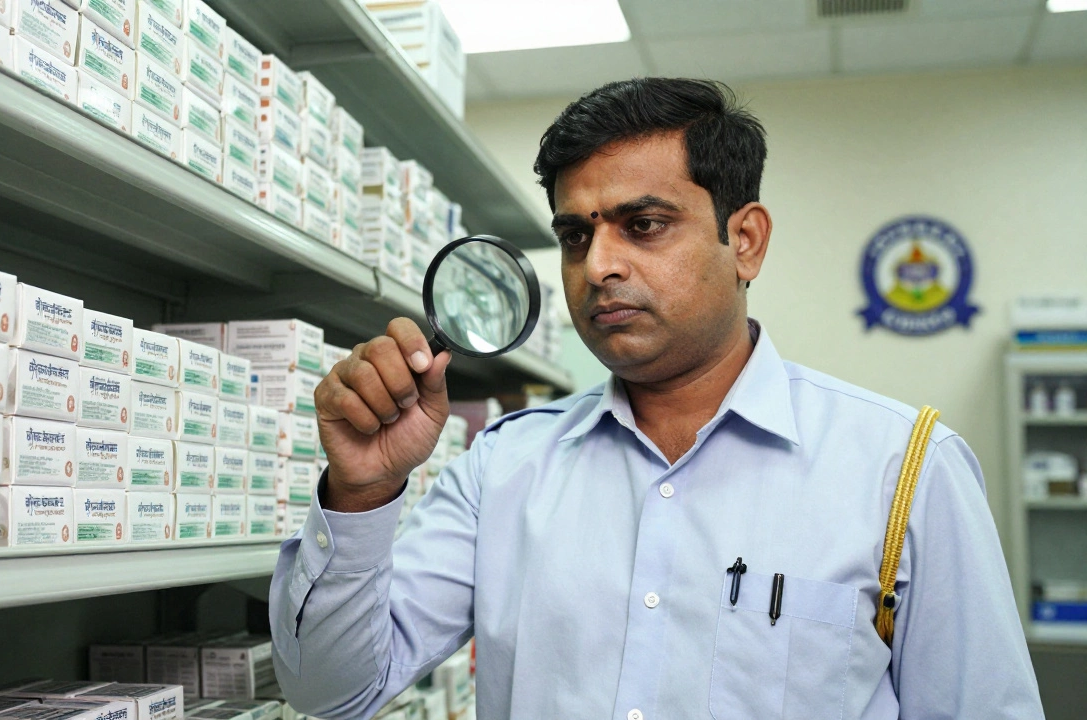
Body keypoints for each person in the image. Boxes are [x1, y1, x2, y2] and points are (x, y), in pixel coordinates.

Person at [269, 78, 1043, 719]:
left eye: (643, 225)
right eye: (576, 236)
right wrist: (362, 495)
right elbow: (332, 692)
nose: (598, 264)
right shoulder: (504, 467)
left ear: (745, 241)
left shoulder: (904, 469)